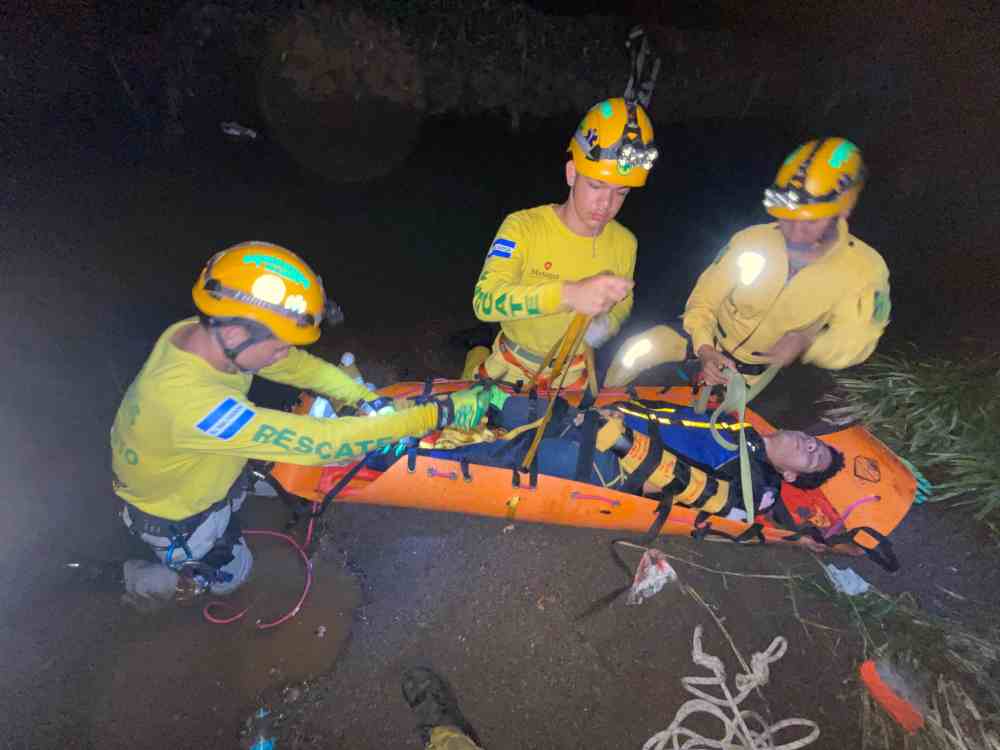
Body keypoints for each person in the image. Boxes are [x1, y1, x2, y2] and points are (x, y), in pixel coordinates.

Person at [109, 241, 493, 609]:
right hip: (177, 515)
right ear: (233, 333)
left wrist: (358, 396)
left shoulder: (203, 333)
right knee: (234, 575)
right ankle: (142, 579)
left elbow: (292, 366)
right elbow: (322, 444)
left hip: (197, 466)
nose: (286, 352)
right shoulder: (190, 402)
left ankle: (231, 497)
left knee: (283, 478)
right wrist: (437, 414)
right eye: (280, 343)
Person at [605, 137, 891, 388]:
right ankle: (592, 407)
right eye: (786, 215)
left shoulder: (863, 271)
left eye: (809, 221)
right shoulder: (752, 240)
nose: (792, 231)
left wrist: (809, 344)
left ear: (843, 210)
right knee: (634, 351)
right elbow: (704, 300)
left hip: (751, 378)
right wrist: (704, 347)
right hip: (702, 340)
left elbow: (857, 342)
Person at [465, 93, 658, 390]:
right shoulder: (522, 227)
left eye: (621, 192)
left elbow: (623, 303)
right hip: (509, 370)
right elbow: (485, 301)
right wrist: (568, 295)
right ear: (571, 173)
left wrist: (605, 324)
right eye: (596, 185)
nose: (606, 204)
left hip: (574, 377)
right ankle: (475, 353)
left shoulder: (625, 243)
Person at [492, 394, 845, 523]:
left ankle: (442, 450)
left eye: (813, 459)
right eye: (815, 442)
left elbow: (696, 492)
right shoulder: (737, 426)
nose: (809, 445)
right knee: (504, 407)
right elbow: (668, 417)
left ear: (791, 476)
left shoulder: (760, 487)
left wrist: (621, 443)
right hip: (602, 421)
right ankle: (461, 415)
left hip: (609, 463)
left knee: (504, 454)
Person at [402, 667, 483, 750]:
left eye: (434, 688)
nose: (433, 699)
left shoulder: (450, 738)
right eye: (420, 698)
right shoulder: (451, 742)